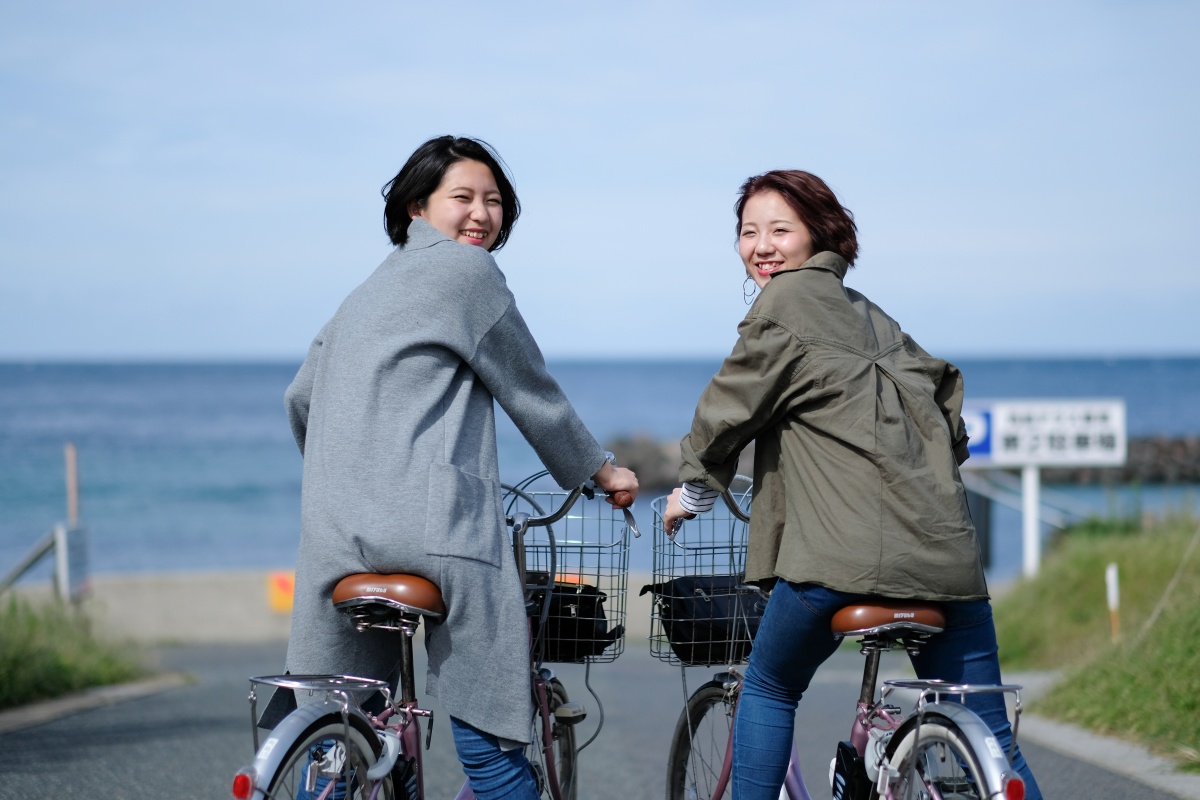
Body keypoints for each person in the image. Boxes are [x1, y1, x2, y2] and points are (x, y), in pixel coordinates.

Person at [662, 170, 1041, 799]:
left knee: (768, 685)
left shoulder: (783, 304)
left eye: (780, 229)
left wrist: (694, 493)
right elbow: (950, 413)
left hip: (834, 565)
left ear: (819, 235)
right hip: (947, 562)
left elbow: (725, 411)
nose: (762, 245)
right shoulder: (878, 319)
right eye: (748, 232)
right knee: (994, 736)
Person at [282, 135, 638, 800]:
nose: (482, 214)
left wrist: (351, 474)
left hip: (335, 534)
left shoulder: (361, 295)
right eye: (464, 198)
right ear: (417, 206)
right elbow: (530, 389)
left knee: (344, 724)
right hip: (430, 530)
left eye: (494, 201)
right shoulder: (467, 275)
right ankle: (496, 772)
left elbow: (298, 397)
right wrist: (599, 470)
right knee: (488, 700)